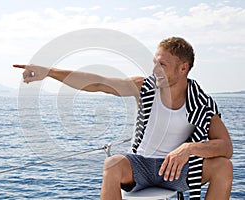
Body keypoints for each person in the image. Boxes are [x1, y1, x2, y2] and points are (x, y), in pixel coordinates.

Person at [15, 37, 233, 199]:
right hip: (141, 166)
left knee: (224, 166)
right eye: (154, 62)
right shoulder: (144, 87)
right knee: (112, 164)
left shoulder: (201, 103)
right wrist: (49, 72)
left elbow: (225, 147)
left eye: (162, 65)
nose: (154, 69)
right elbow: (99, 83)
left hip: (176, 170)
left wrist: (189, 149)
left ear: (183, 68)